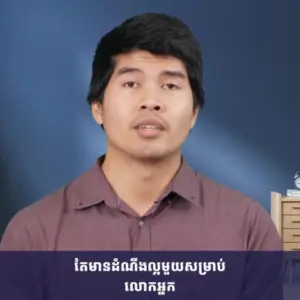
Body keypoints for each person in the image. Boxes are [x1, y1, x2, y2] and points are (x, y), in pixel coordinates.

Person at [0, 13, 281, 252]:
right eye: (132, 83)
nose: (151, 100)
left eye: (170, 86)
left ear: (195, 112)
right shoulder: (33, 233)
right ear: (97, 107)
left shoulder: (250, 227)